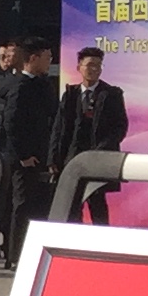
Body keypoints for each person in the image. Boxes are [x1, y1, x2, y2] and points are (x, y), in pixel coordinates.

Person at [0, 36, 61, 260]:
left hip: (41, 155)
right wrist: (23, 155)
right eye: (47, 57)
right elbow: (11, 123)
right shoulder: (20, 86)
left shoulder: (44, 85)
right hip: (23, 159)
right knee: (22, 205)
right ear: (34, 58)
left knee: (38, 205)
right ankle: (16, 254)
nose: (50, 61)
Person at [51, 48, 128, 224]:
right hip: (72, 157)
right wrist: (53, 159)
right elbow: (59, 128)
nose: (94, 69)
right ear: (79, 67)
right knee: (72, 204)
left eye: (98, 65)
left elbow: (120, 127)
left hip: (98, 157)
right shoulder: (71, 94)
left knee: (97, 203)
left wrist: (103, 149)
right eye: (90, 65)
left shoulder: (112, 94)